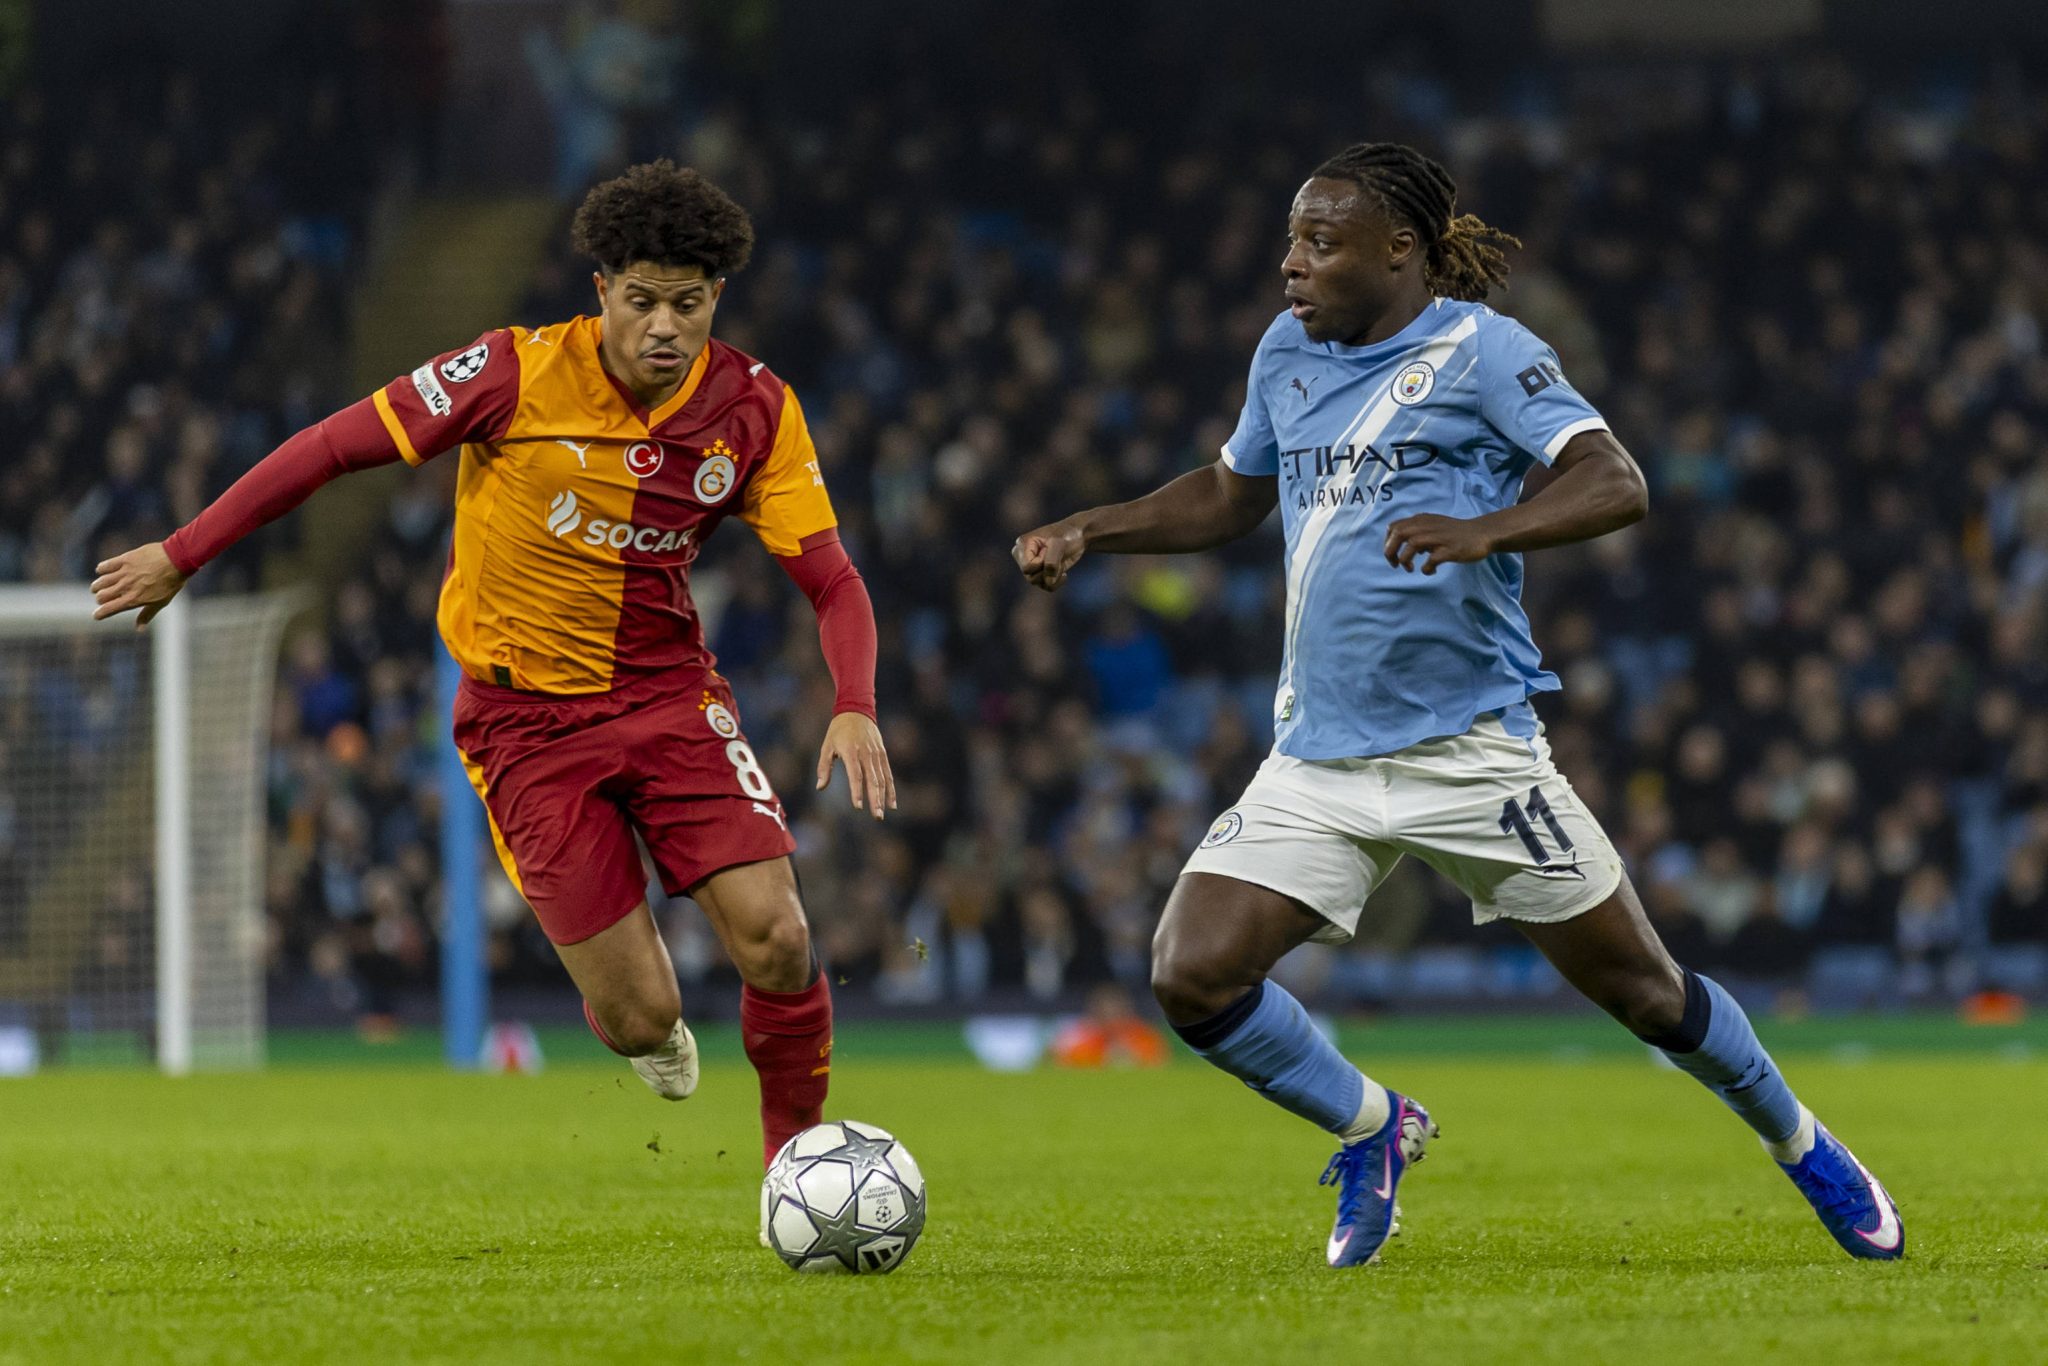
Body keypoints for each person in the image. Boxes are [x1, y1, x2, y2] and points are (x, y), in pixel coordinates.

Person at [1013, 143, 1902, 1268]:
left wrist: (1488, 529)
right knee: (1189, 971)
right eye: (1290, 238)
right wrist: (1091, 528)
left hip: (1470, 752)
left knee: (1645, 994)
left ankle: (1804, 1143)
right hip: (1319, 756)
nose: (1289, 263)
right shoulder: (1285, 351)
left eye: (1319, 242)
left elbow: (1612, 479)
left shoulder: (1484, 353)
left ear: (1401, 252)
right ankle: (1373, 1126)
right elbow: (1230, 495)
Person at [91, 161, 895, 1185]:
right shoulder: (508, 374)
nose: (662, 326)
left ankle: (800, 1165)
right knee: (636, 1015)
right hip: (522, 728)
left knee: (778, 937)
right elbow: (329, 449)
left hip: (669, 700)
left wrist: (855, 705)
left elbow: (831, 580)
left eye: (686, 305)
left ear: (715, 301)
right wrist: (184, 551)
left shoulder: (754, 411)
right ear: (600, 289)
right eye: (641, 299)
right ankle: (650, 1034)